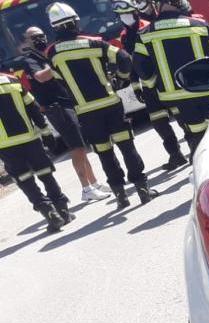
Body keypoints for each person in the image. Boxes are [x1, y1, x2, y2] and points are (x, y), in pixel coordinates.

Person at [44, 2, 155, 208]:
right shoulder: (95, 43)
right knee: (127, 146)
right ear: (75, 22)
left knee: (104, 153)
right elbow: (124, 58)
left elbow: (58, 79)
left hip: (85, 111)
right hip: (110, 103)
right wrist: (121, 79)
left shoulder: (52, 53)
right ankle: (142, 189)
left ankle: (120, 195)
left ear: (55, 27)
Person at [16, 26, 111, 203]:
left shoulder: (44, 54)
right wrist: (56, 63)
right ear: (27, 41)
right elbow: (40, 77)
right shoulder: (29, 59)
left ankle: (94, 183)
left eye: (41, 35)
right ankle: (86, 188)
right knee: (77, 147)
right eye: (34, 37)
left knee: (81, 145)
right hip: (56, 107)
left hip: (66, 103)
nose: (40, 39)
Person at [131, 0, 209, 155]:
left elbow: (140, 67)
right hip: (208, 91)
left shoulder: (145, 34)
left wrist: (155, 84)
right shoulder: (201, 25)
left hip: (176, 98)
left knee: (197, 137)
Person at [111, 0, 187, 171]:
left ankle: (194, 143)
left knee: (181, 115)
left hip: (163, 80)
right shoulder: (124, 35)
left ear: (136, 12)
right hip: (147, 85)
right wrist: (136, 86)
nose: (125, 18)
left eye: (127, 13)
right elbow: (132, 62)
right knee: (158, 121)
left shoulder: (148, 26)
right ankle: (175, 154)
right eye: (121, 15)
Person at [0, 72, 73, 231]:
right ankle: (62, 210)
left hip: (5, 145)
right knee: (45, 172)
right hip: (30, 138)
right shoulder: (11, 80)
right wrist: (46, 131)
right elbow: (32, 107)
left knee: (24, 179)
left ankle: (48, 211)